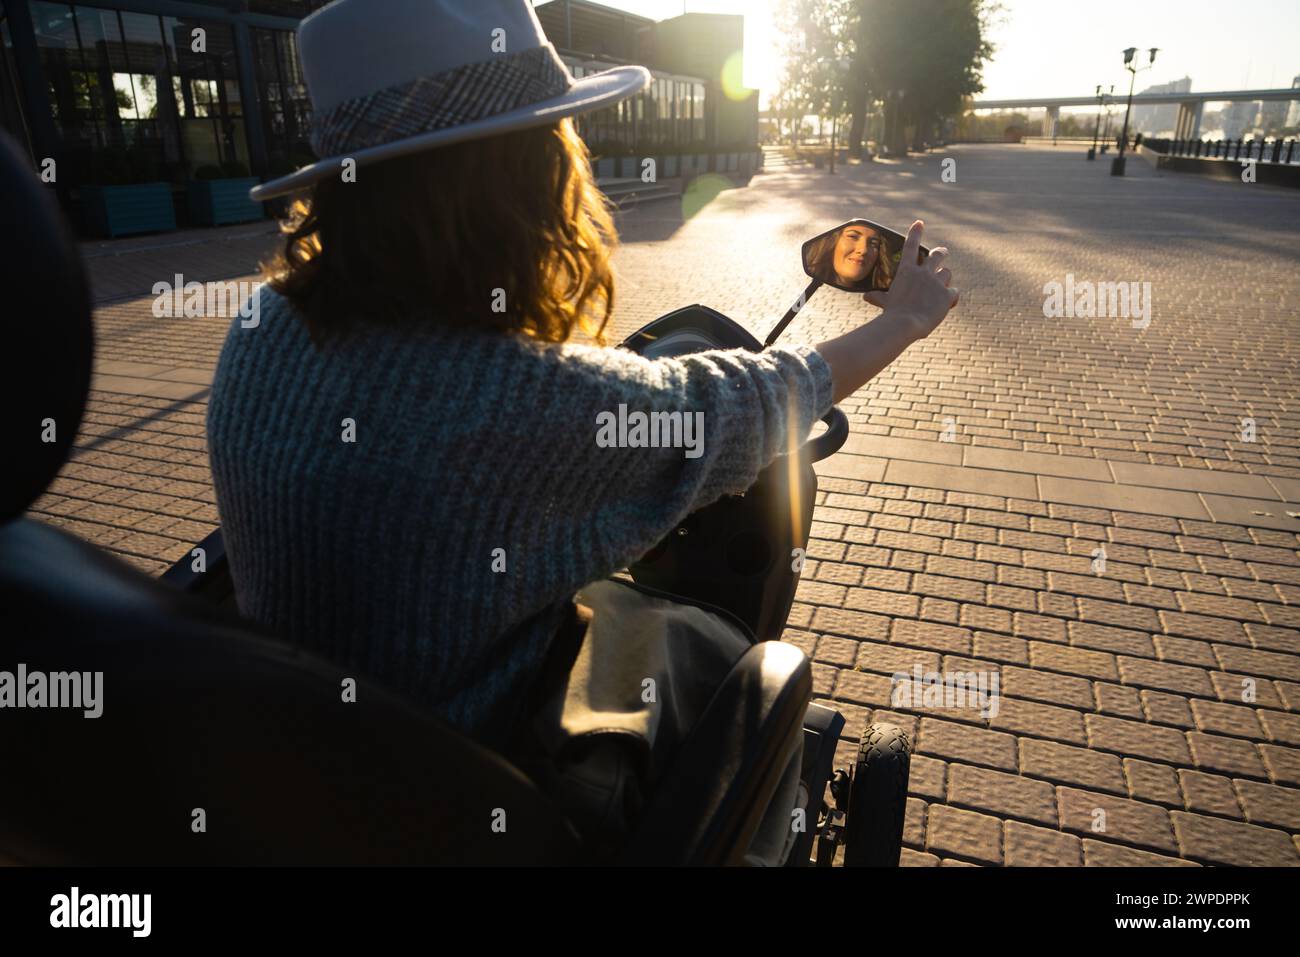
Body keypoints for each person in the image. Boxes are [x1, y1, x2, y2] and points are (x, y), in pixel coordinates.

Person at [205, 0, 958, 863]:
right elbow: (743, 406)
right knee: (732, 660)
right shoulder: (514, 398)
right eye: (557, 140)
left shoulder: (259, 326)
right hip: (463, 795)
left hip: (297, 767)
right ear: (518, 179)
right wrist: (902, 322)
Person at [807, 221, 896, 292]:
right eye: (853, 236)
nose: (863, 250)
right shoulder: (812, 287)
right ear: (831, 243)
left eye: (874, 243)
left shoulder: (885, 291)